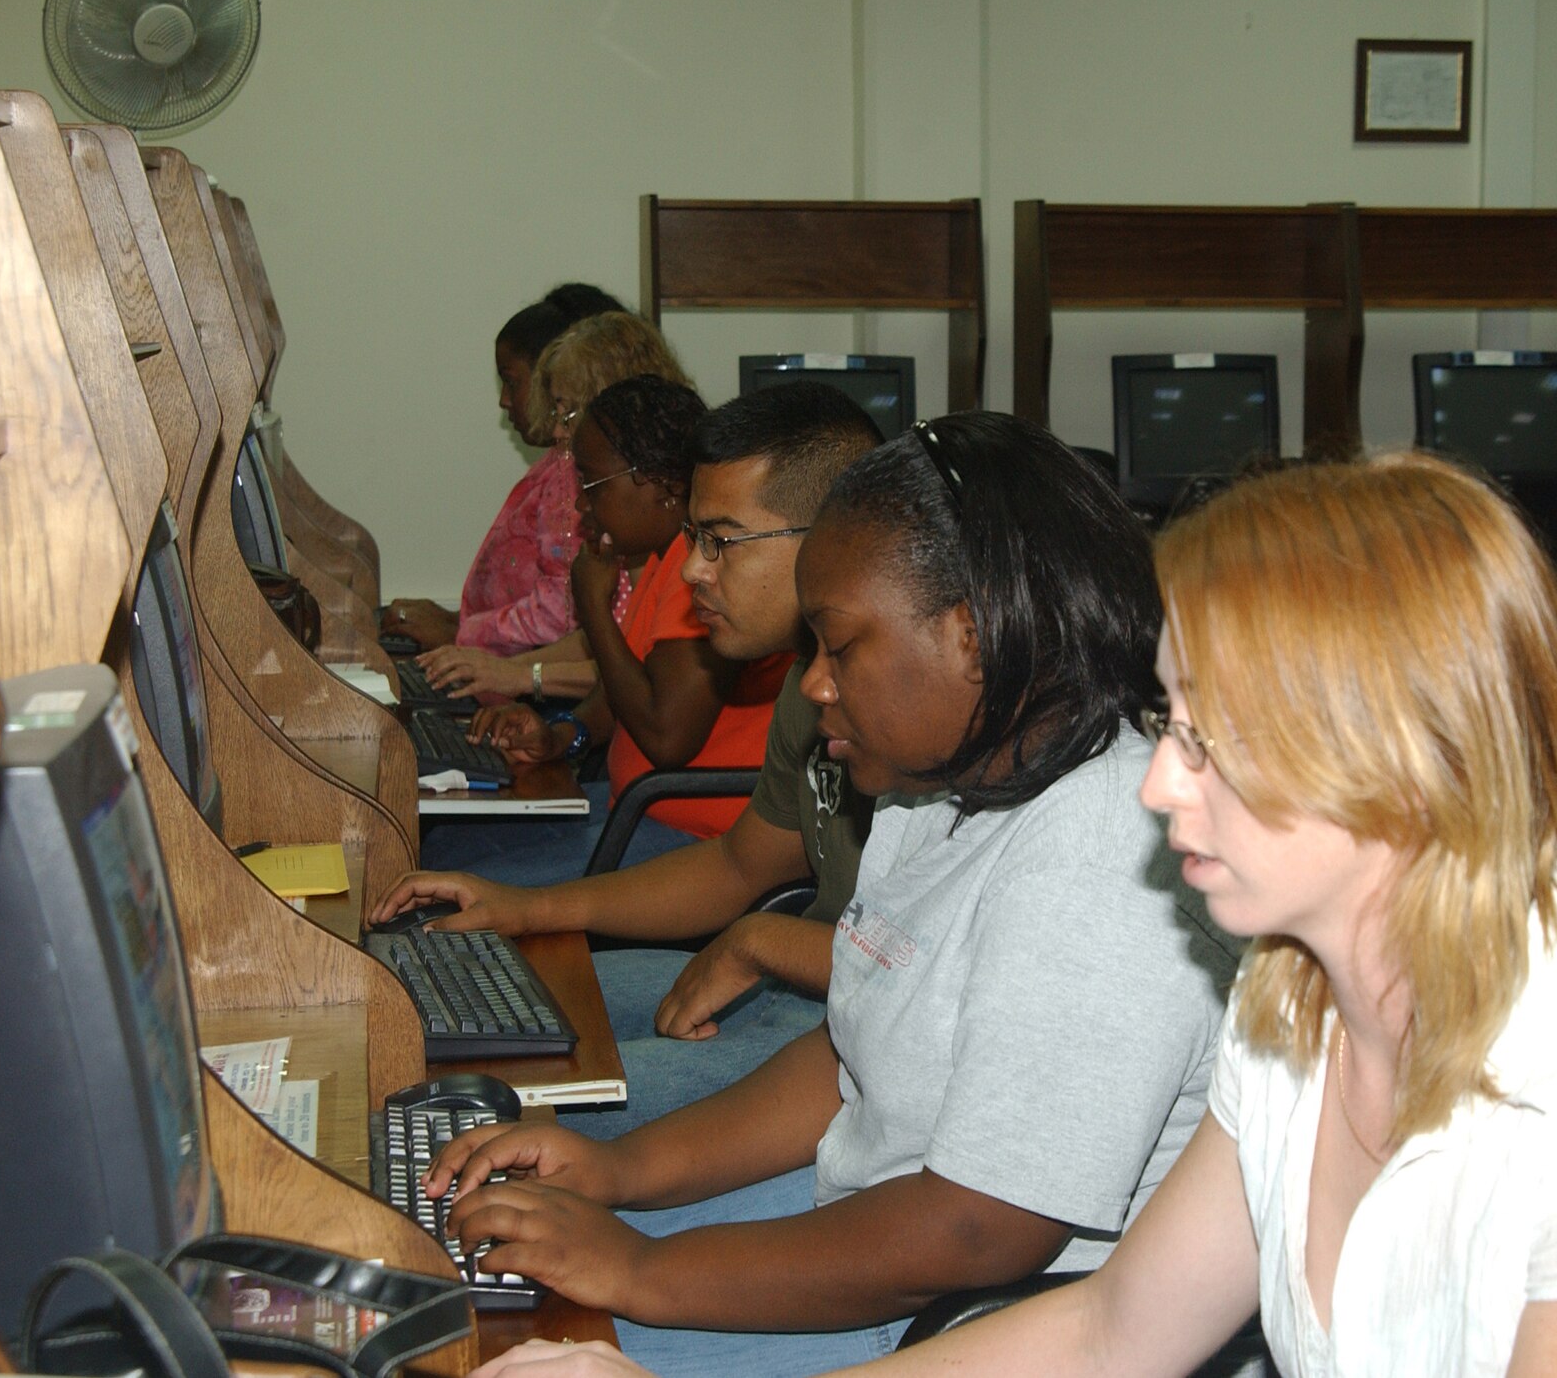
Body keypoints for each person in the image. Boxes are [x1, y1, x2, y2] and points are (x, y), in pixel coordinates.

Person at [472, 451, 1557, 1378]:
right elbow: (1114, 1327)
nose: (1161, 785)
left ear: (1394, 750)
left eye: (1214, 735)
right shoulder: (1293, 1006)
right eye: (1170, 720)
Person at [416, 414, 1237, 1376]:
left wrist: (640, 1267)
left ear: (973, 638)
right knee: (469, 1280)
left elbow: (980, 1230)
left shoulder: (1099, 849)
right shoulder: (934, 787)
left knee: (506, 1350)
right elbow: (850, 1053)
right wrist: (620, 1172)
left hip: (974, 1312)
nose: (814, 684)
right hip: (877, 1227)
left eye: (839, 646)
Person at [371, 383, 884, 1134]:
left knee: (501, 1110)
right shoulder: (810, 688)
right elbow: (739, 866)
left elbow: (931, 979)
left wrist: (759, 940)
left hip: (856, 1045)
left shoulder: (912, 706)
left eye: (721, 541)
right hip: (802, 990)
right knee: (437, 1010)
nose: (690, 571)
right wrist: (526, 907)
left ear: (834, 535)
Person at [420, 374, 793, 885]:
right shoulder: (663, 560)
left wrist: (594, 610)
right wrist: (561, 736)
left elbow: (667, 738)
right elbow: (623, 693)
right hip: (638, 808)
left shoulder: (697, 572)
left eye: (592, 486)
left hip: (695, 839)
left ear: (663, 486)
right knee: (439, 843)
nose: (580, 508)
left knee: (455, 878)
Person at [416, 312, 695, 703]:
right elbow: (608, 655)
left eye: (567, 411)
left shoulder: (689, 564)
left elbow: (639, 686)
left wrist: (514, 674)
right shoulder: (644, 548)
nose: (558, 429)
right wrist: (497, 670)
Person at [382, 283, 622, 652]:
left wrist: (457, 636)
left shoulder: (570, 472)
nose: (504, 401)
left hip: (528, 682)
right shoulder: (555, 464)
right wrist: (454, 621)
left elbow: (562, 611)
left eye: (511, 382)